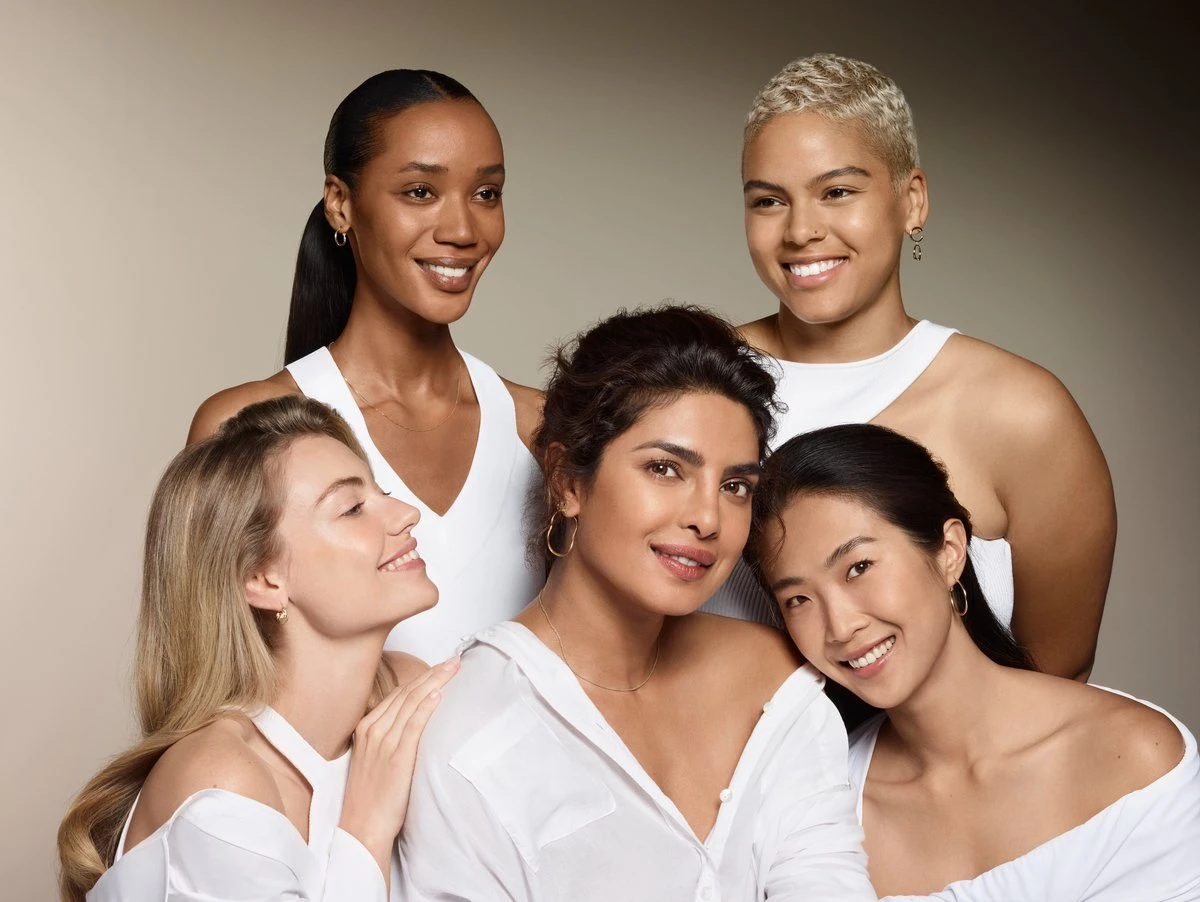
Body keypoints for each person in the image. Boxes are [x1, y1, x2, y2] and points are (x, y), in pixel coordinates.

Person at [395, 306, 875, 901]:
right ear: (568, 481)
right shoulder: (471, 731)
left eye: (735, 486)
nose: (707, 518)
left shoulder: (776, 681)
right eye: (665, 469)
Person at [708, 53, 1115, 683]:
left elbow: (1056, 681)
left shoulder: (1023, 415)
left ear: (912, 200)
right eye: (768, 201)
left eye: (837, 192)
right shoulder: (691, 382)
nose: (801, 230)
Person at [746, 423, 1199, 900]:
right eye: (798, 599)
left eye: (858, 568)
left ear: (949, 552)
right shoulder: (821, 806)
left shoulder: (1133, 756)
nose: (839, 627)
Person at [188, 70, 542, 662]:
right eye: (420, 192)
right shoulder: (246, 426)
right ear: (340, 203)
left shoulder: (539, 426)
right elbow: (212, 676)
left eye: (486, 193)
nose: (462, 230)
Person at [57, 397, 458, 901]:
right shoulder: (221, 783)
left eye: (384, 493)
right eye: (352, 508)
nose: (408, 513)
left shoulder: (405, 692)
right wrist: (367, 829)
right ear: (263, 579)